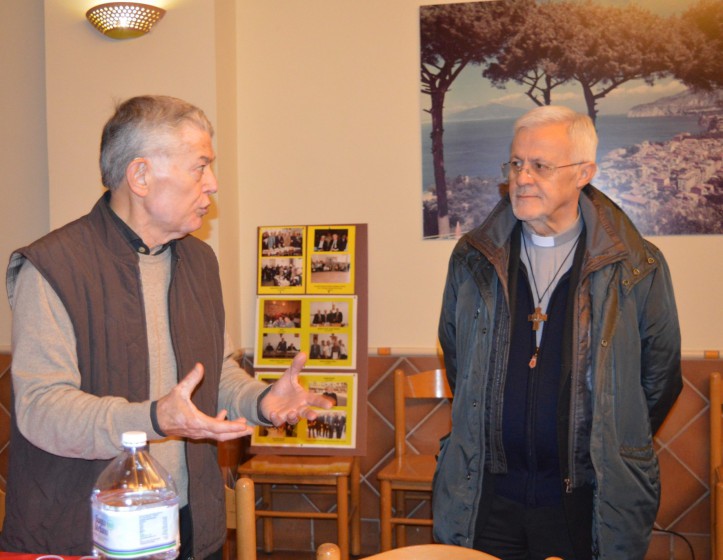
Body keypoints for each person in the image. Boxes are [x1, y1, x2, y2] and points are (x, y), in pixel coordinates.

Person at [1, 95, 332, 559]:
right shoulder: (53, 267)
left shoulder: (200, 260)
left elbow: (213, 374)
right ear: (140, 175)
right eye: (200, 167)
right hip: (86, 530)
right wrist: (153, 418)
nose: (213, 184)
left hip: (186, 520)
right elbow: (42, 409)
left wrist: (261, 401)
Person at [433, 105, 682, 560]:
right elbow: (458, 361)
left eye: (540, 166)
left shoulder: (637, 266)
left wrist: (610, 437)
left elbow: (659, 380)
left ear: (584, 173)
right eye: (516, 163)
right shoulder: (473, 259)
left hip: (586, 501)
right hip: (486, 497)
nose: (522, 178)